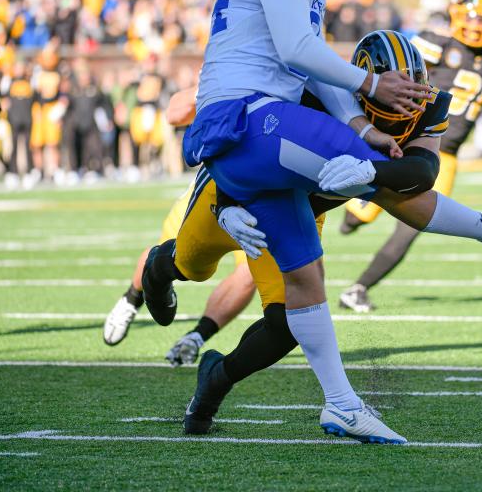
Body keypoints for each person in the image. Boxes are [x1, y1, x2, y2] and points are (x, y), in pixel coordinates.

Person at [142, 0, 482, 444]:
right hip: (245, 124)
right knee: (203, 258)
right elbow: (297, 52)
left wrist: (367, 134)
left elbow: (332, 89)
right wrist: (367, 94)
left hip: (272, 150)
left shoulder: (318, 7)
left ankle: (341, 404)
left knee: (305, 285)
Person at [172, 30, 453, 436]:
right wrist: (228, 206)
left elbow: (421, 176)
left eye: (411, 86)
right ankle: (147, 285)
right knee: (184, 262)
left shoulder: (422, 111)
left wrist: (373, 167)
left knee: (289, 322)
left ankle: (216, 380)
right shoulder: (311, 95)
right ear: (365, 80)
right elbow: (241, 140)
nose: (404, 99)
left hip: (295, 211)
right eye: (393, 87)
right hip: (233, 194)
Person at [337, 0, 482, 313]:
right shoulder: (435, 45)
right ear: (457, 14)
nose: (476, 24)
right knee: (354, 218)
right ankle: (350, 220)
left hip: (443, 155)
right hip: (406, 138)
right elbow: (392, 69)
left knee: (412, 224)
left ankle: (359, 288)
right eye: (471, 16)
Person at [103, 85, 256, 364]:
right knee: (167, 253)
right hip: (218, 182)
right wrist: (216, 87)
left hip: (264, 189)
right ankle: (131, 299)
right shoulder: (232, 67)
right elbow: (174, 113)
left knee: (251, 273)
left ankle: (197, 335)